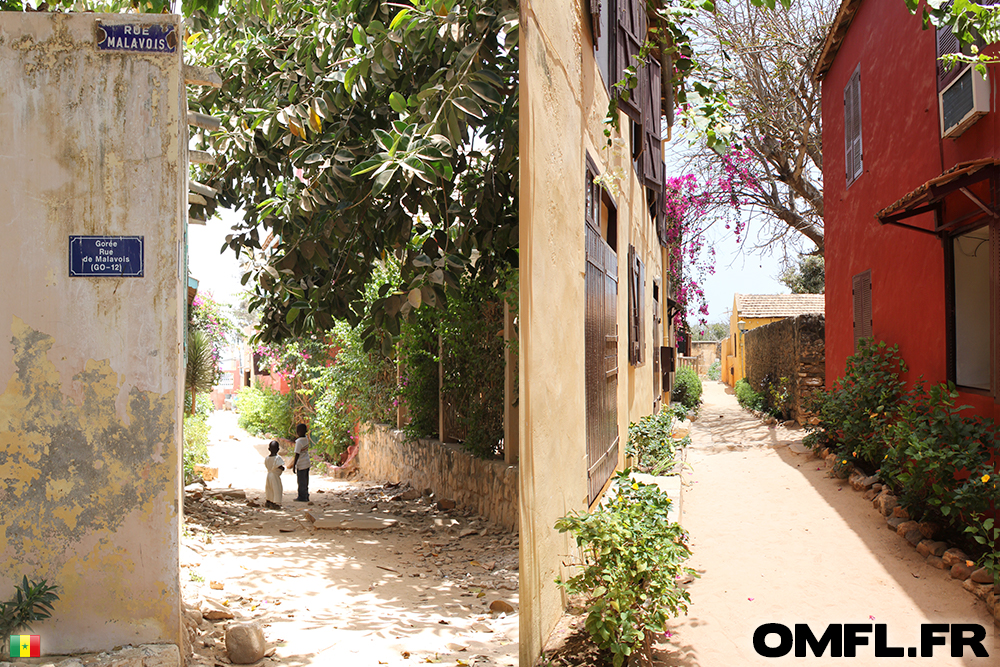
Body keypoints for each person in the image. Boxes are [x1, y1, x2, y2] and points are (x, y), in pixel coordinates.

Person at [290, 423, 310, 502]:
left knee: (301, 481)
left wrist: (294, 465)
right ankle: (306, 495)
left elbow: (297, 454)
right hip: (307, 462)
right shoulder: (306, 439)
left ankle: (302, 496)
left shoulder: (299, 441)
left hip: (301, 464)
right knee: (305, 480)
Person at [263, 440, 284, 509]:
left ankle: (269, 501)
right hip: (275, 476)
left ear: (269, 449)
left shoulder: (267, 458)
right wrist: (282, 468)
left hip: (268, 475)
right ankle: (276, 503)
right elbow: (279, 466)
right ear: (278, 449)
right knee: (276, 489)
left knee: (269, 488)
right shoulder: (277, 458)